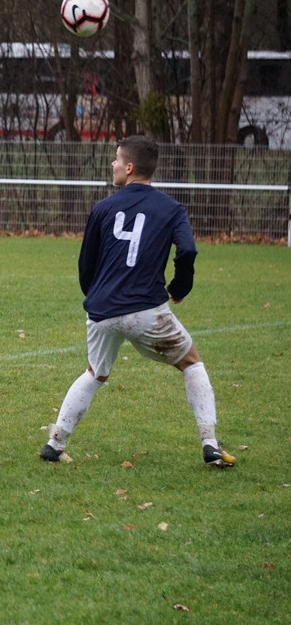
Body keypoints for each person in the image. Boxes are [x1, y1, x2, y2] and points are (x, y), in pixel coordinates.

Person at [40, 135, 235, 468]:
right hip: (147, 310)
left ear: (129, 168)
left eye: (116, 159)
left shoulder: (102, 208)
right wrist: (180, 287)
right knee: (192, 363)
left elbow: (86, 265)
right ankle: (211, 445)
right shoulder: (172, 209)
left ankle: (54, 444)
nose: (113, 164)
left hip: (101, 311)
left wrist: (96, 296)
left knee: (94, 373)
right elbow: (187, 250)